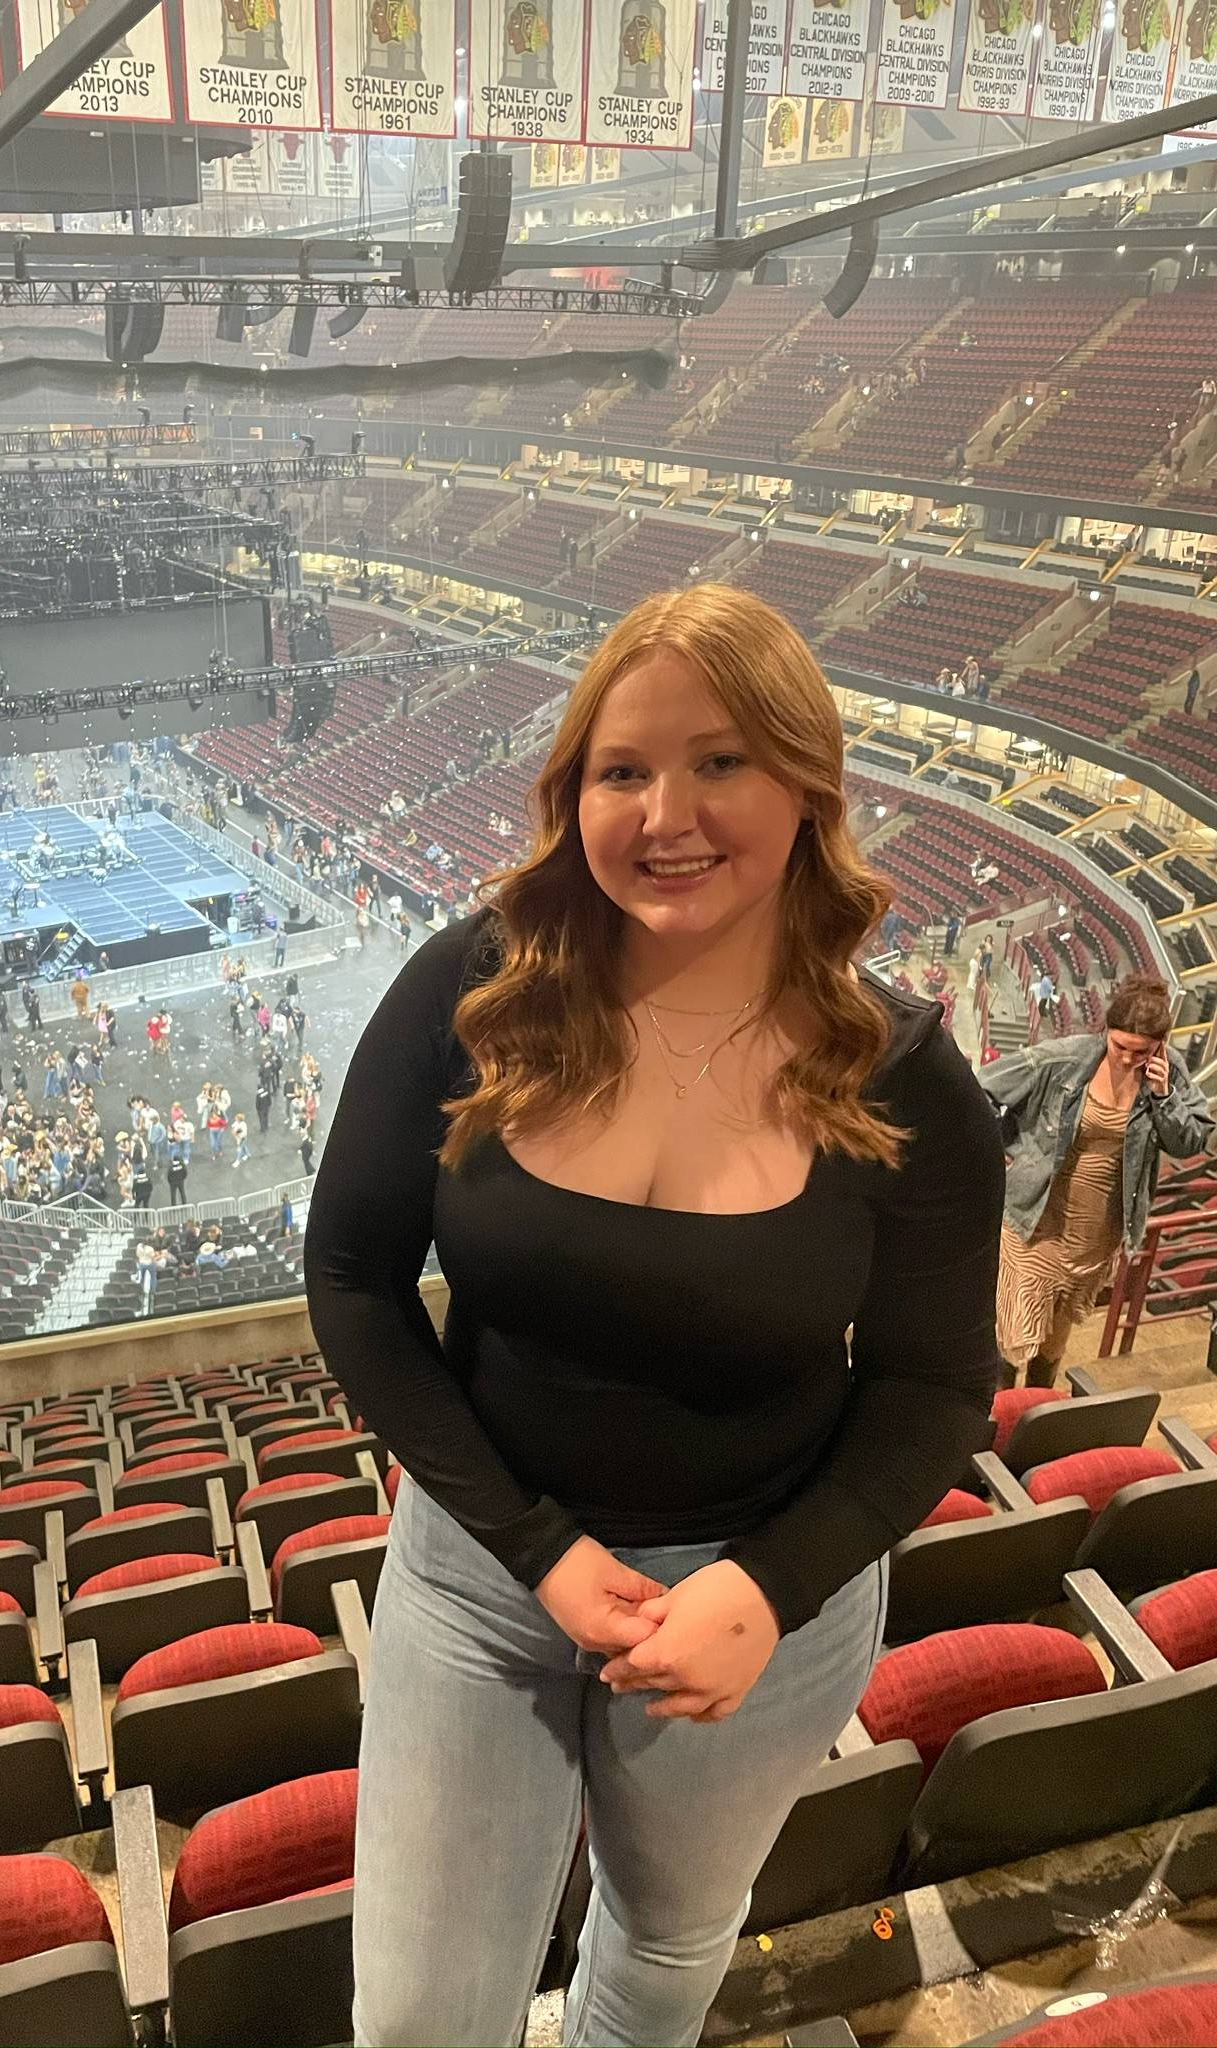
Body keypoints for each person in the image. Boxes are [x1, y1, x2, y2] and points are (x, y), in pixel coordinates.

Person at [302, 584, 1004, 2048]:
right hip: (484, 1576)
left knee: (668, 1951)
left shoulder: (908, 1083)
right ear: (575, 797)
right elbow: (354, 1281)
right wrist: (538, 1548)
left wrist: (768, 1588)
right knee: (421, 2019)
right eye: (624, 770)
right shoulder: (470, 991)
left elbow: (937, 1388)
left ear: (808, 785)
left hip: (762, 1598)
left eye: (722, 761)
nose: (666, 812)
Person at [981, 971, 1213, 1390]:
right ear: (1106, 1030)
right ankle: (996, 1423)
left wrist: (1164, 1096)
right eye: (1119, 1045)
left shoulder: (1169, 1074)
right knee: (1012, 1336)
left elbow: (1190, 1141)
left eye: (1140, 1051)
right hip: (1036, 1221)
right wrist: (1008, 1151)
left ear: (1160, 1045)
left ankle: (1035, 1417)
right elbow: (980, 1090)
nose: (1127, 1059)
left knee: (1055, 1339)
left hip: (1096, 1236)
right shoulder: (1062, 1059)